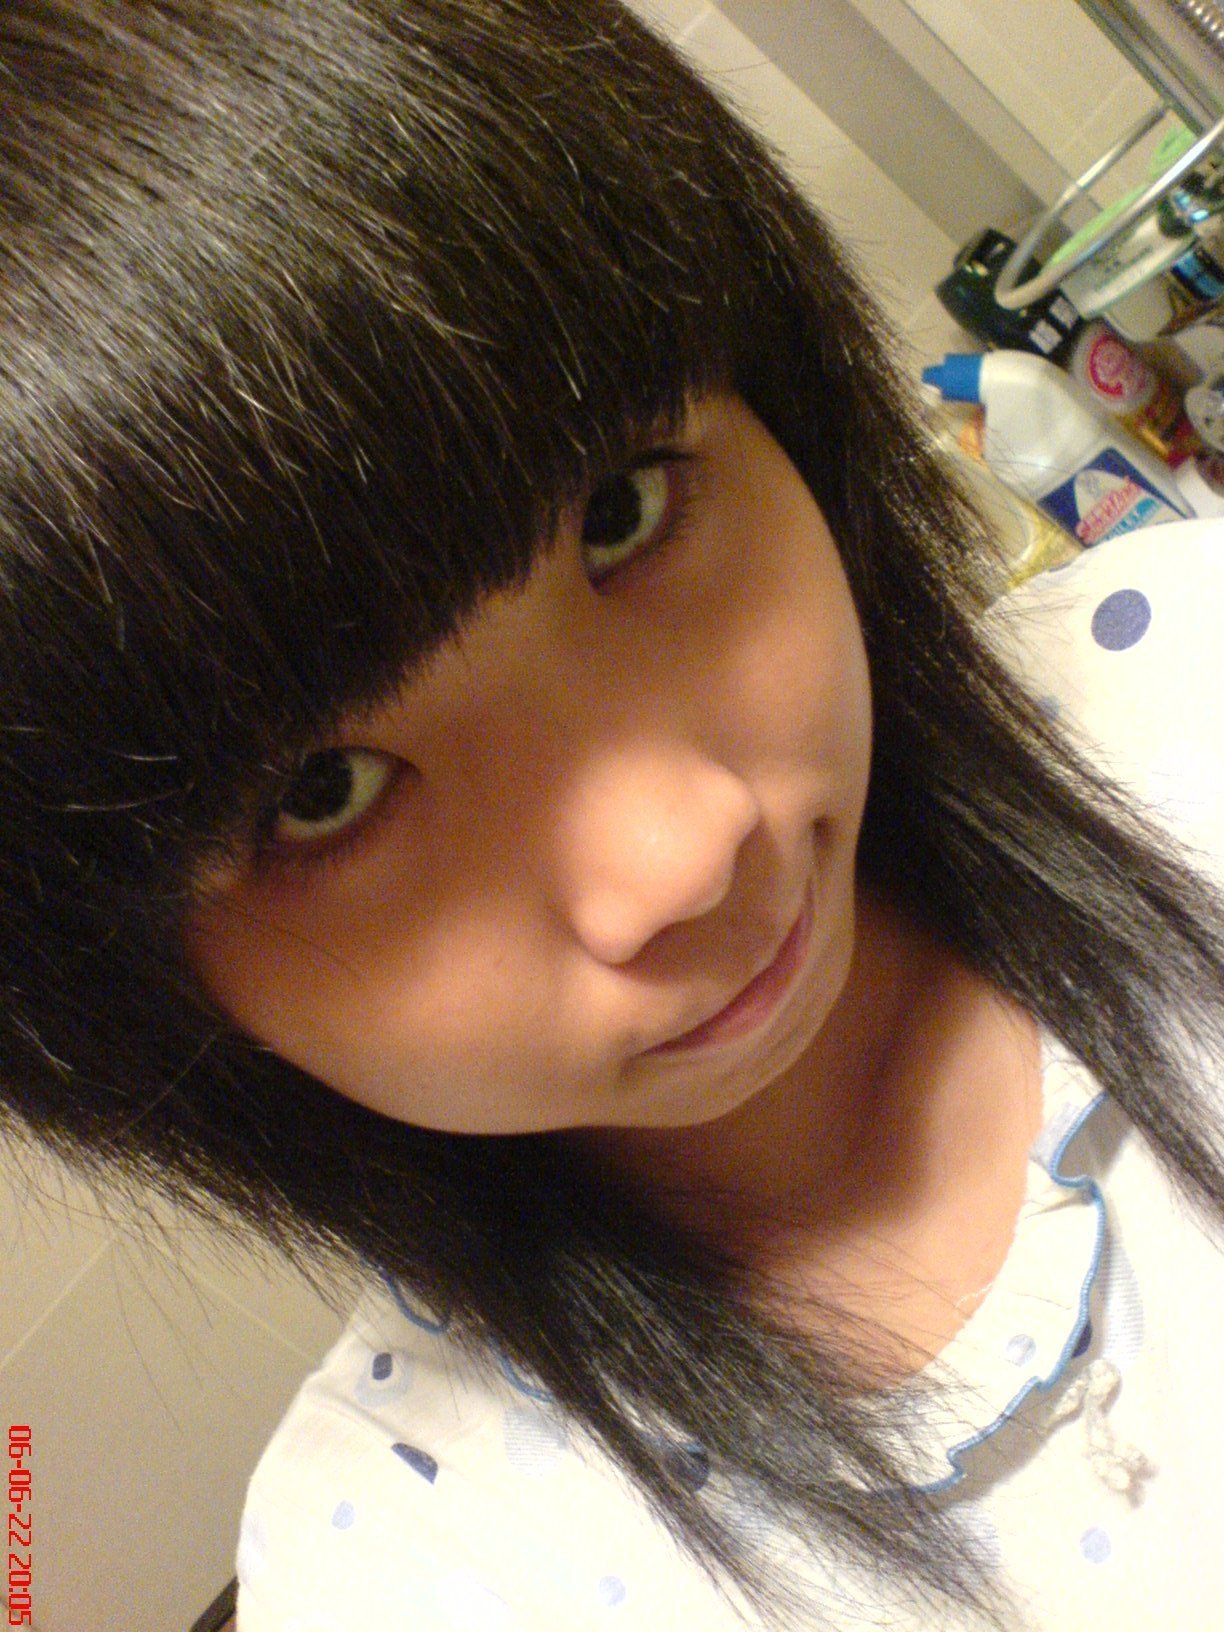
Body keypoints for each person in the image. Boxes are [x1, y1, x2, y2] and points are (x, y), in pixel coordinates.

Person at [1, 1, 1222, 1627]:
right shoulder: (417, 1567)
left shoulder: (1192, 688)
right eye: (324, 795)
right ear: (120, 993)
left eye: (624, 514)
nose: (682, 855)